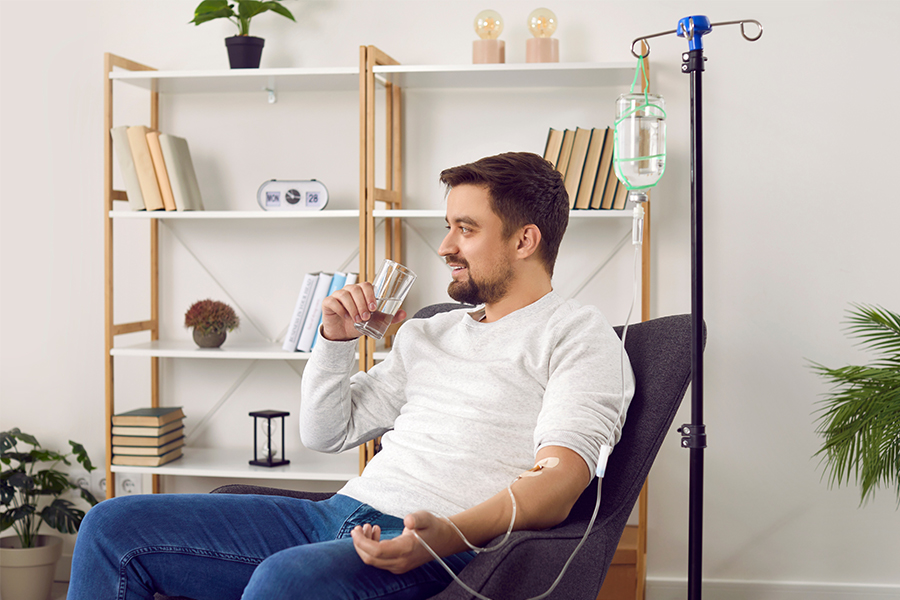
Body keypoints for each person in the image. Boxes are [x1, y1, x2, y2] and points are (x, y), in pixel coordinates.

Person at [68, 152, 633, 600]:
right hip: (336, 514)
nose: (444, 247)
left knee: (288, 582)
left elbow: (557, 487)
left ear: (525, 240)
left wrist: (450, 532)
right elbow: (326, 432)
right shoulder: (428, 332)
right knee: (111, 525)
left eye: (465, 228)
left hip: (440, 541)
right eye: (447, 226)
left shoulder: (577, 335)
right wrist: (335, 342)